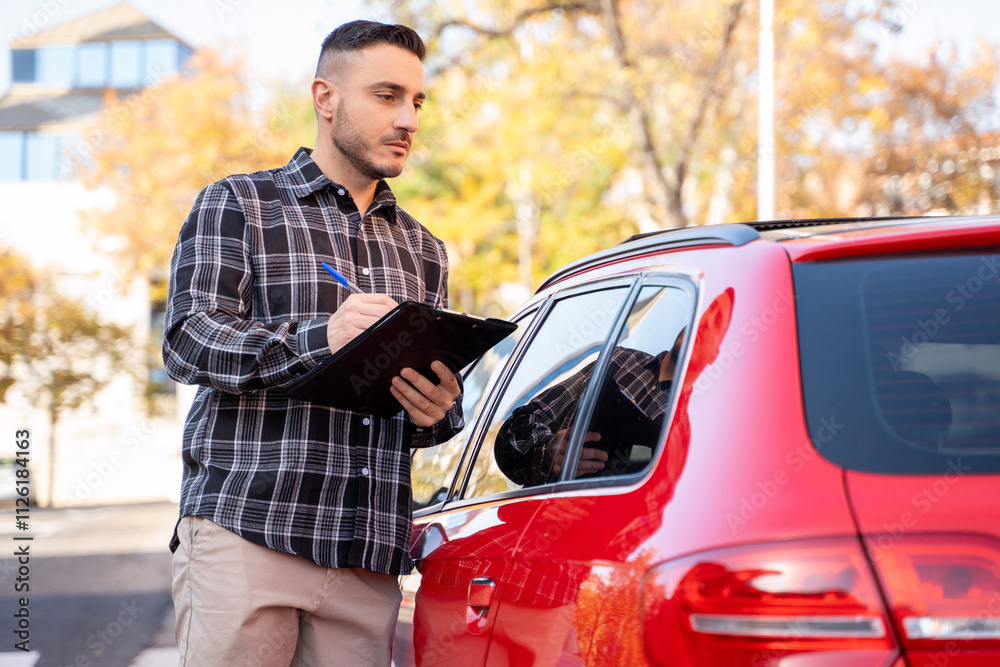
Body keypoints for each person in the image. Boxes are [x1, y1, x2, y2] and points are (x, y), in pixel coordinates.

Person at [162, 21, 462, 666]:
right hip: (250, 533)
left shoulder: (425, 251)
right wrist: (319, 337)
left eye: (416, 101)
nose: (407, 118)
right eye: (387, 96)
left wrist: (438, 409)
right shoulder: (238, 205)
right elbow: (188, 341)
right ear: (326, 98)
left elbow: (423, 416)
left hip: (365, 556)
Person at [495, 330, 685, 487]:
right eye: (703, 314)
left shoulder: (696, 417)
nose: (704, 323)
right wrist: (546, 451)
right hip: (541, 518)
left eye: (715, 322)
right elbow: (513, 433)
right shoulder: (620, 361)